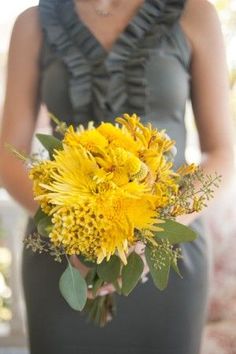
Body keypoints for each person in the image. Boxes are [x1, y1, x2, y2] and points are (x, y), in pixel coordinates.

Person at [0, 0, 234, 353]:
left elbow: (222, 152)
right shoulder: (32, 23)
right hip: (62, 252)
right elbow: (8, 154)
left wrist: (148, 231)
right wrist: (75, 231)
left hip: (165, 257)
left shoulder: (194, 13)